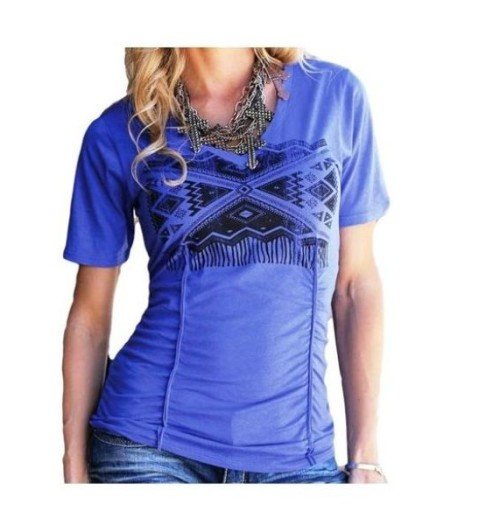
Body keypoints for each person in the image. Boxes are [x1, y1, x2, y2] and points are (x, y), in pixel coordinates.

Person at [61, 47, 390, 484]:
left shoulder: (334, 96)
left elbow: (354, 286)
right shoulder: (119, 132)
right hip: (150, 445)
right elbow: (89, 315)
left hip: (297, 455)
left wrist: (365, 457)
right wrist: (73, 464)